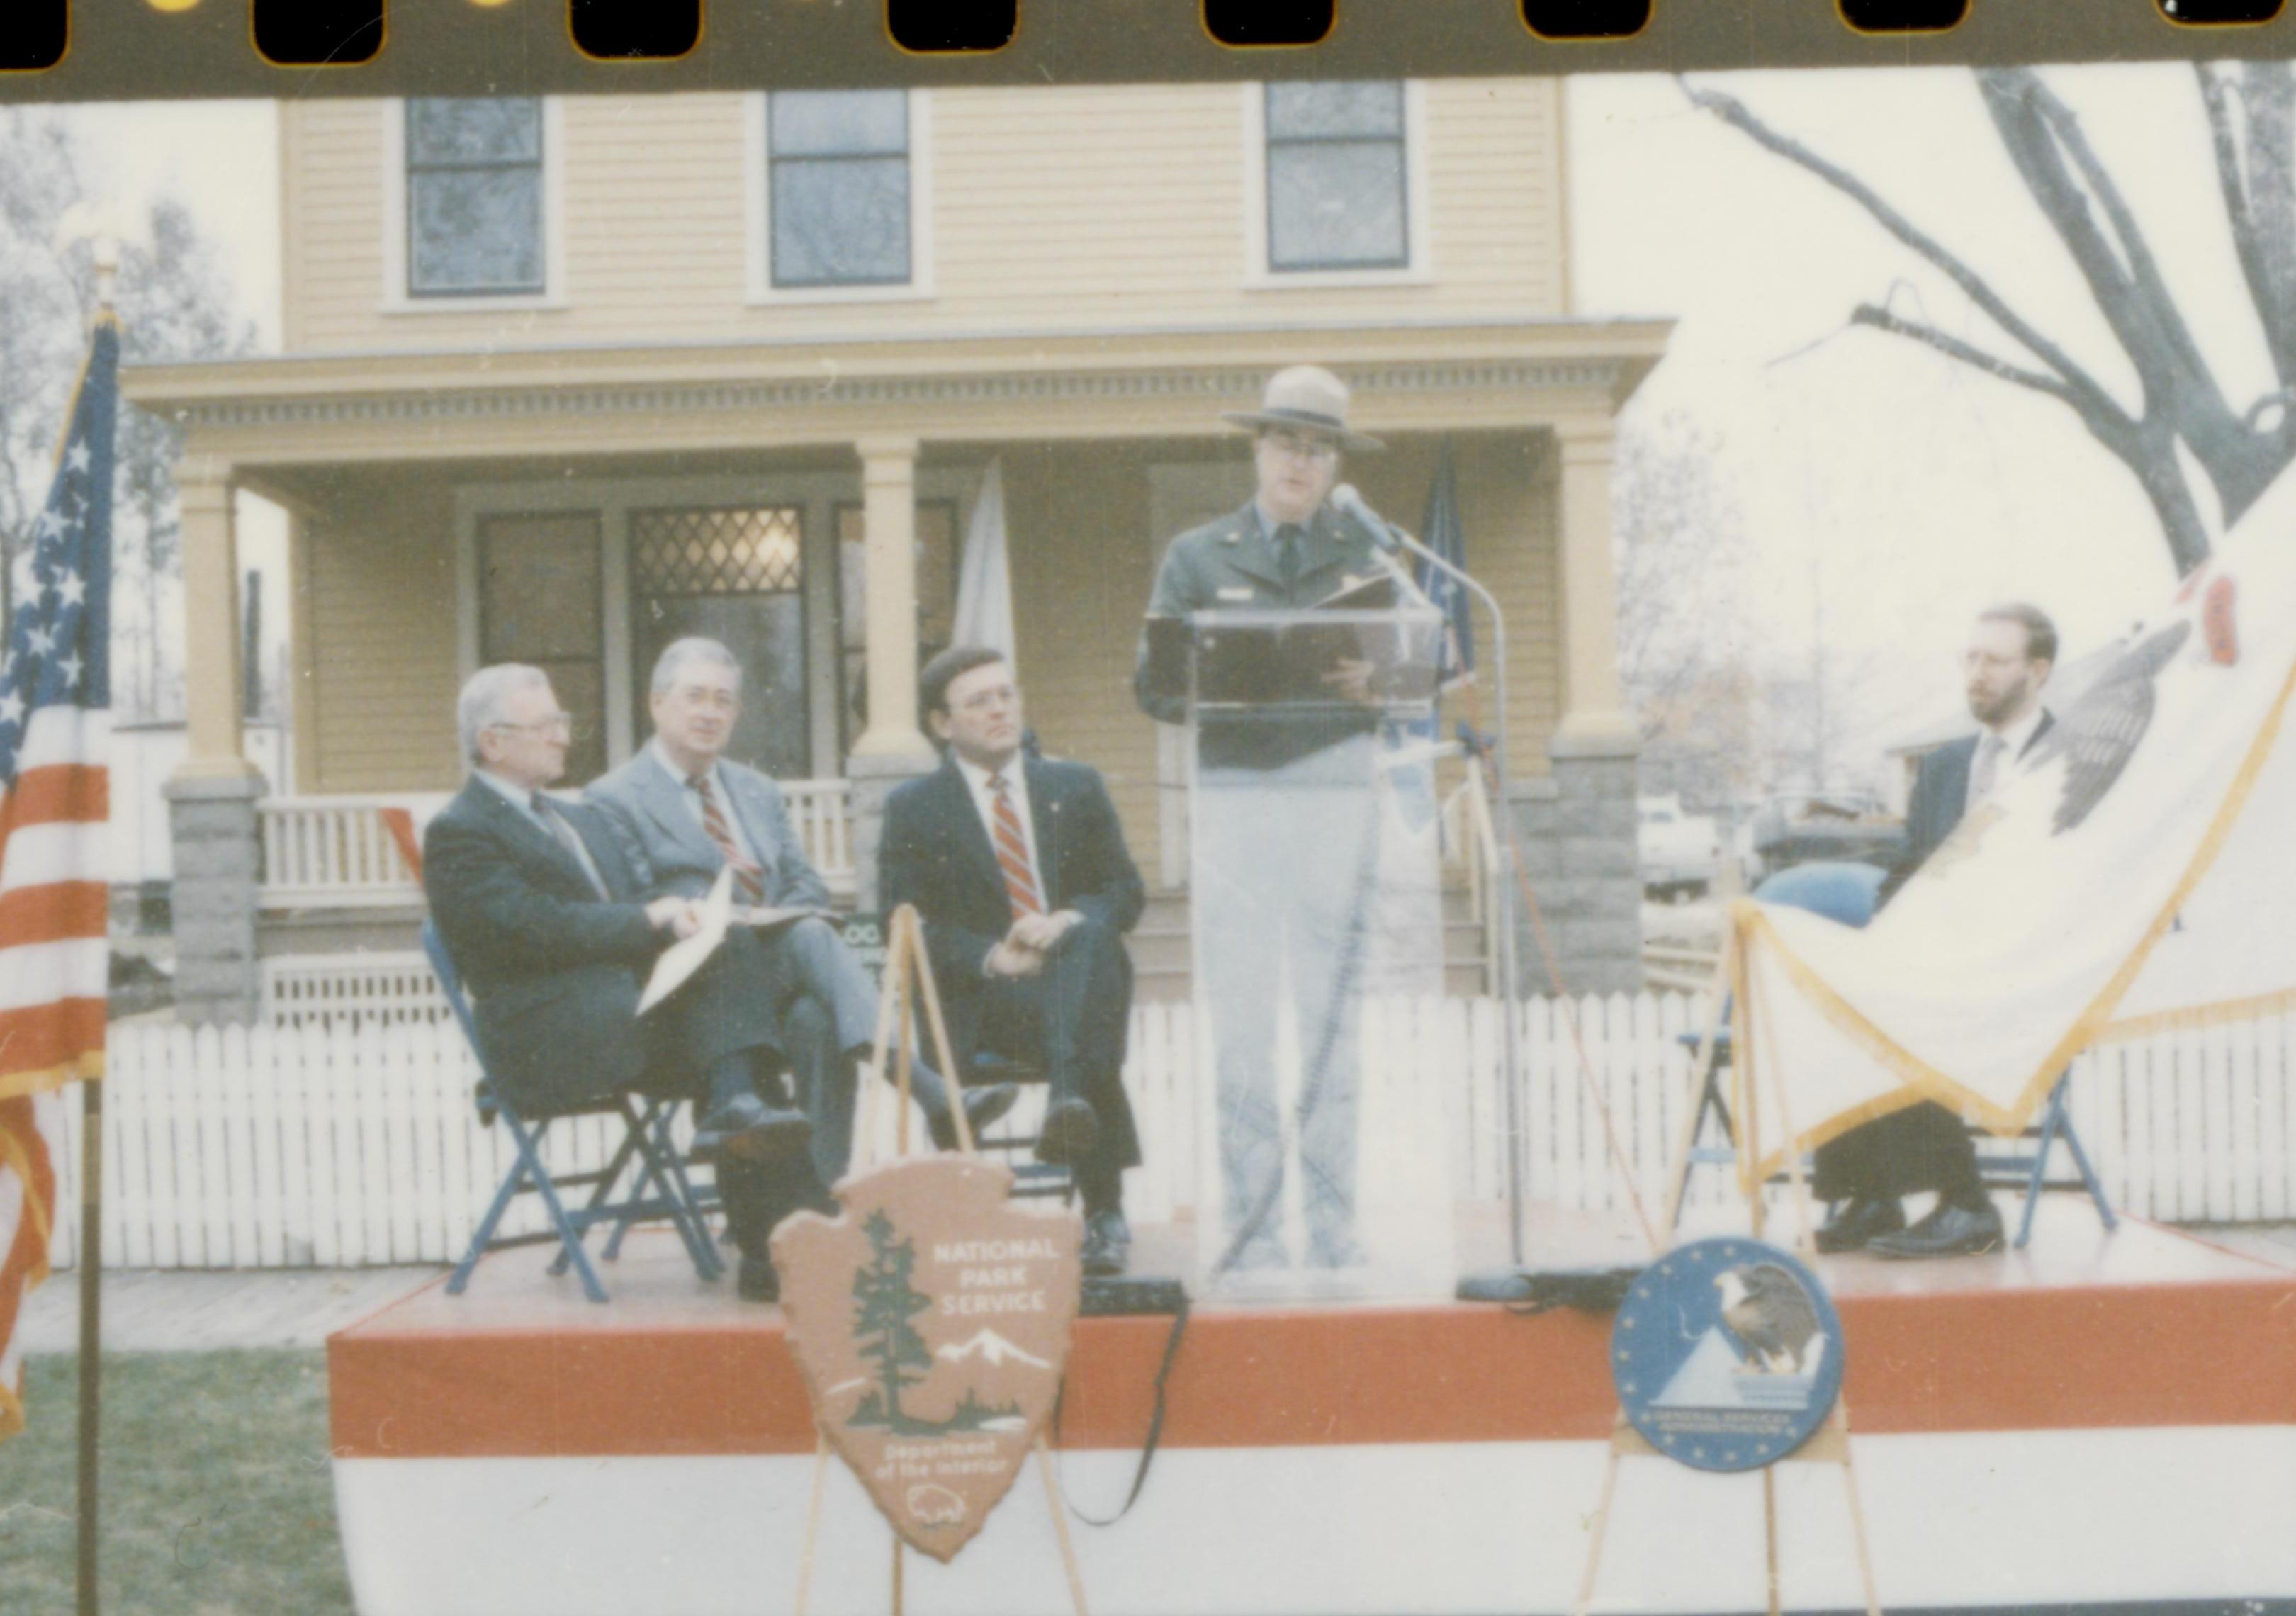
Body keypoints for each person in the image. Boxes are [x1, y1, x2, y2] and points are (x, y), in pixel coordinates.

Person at [422, 663, 826, 1303]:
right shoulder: (460, 832)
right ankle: (781, 1236)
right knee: (738, 1047)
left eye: (562, 722)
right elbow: (532, 927)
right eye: (548, 723)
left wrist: (683, 915)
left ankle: (779, 1238)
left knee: (733, 967)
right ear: (493, 741)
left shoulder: (578, 819)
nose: (563, 736)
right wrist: (650, 919)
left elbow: (636, 902)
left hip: (620, 1008)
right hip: (547, 1032)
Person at [585, 638, 1014, 1188]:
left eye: (724, 701)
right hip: (700, 992)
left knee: (816, 1015)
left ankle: (822, 1202)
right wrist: (735, 921)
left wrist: (775, 924)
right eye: (696, 697)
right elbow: (634, 905)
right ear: (657, 703)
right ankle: (933, 1093)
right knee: (811, 944)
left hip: (782, 967)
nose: (710, 712)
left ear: (738, 713)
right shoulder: (614, 796)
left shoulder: (757, 791)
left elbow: (805, 884)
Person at [1134, 364, 1393, 1274]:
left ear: (1335, 463)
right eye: (1288, 441)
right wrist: (1217, 670)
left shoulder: (1371, 555)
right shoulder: (1199, 556)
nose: (1302, 461)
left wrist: (1386, 681)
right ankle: (1249, 1231)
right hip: (1242, 811)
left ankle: (1331, 1230)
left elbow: (1425, 673)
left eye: (1320, 447)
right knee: (1244, 1031)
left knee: (1331, 1032)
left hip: (1335, 811)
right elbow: (1152, 687)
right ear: (1258, 447)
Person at [882, 647, 1147, 1277]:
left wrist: (1064, 922)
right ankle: (1103, 1202)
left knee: (1093, 941)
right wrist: (994, 957)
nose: (1000, 709)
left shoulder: (1074, 786)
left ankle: (1069, 1103)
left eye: (1007, 694)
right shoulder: (914, 807)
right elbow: (904, 924)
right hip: (985, 1002)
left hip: (1072, 982)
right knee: (1088, 1032)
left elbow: (1123, 892)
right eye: (979, 701)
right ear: (942, 724)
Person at [1816, 602, 2059, 1260]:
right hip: (1942, 964)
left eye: (1996, 660)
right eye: (1971, 657)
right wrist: (1882, 943)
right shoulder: (1946, 766)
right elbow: (1907, 871)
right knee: (1836, 991)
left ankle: (1968, 1206)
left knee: (1901, 1009)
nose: (1977, 674)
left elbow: (2070, 884)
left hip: (2030, 969)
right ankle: (1872, 1198)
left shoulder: (2071, 760)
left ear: (2038, 671)